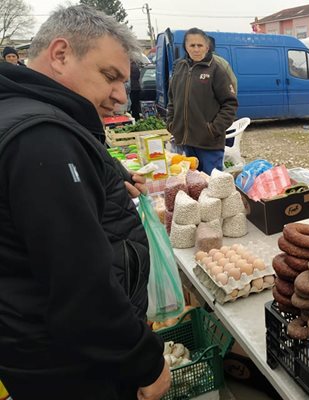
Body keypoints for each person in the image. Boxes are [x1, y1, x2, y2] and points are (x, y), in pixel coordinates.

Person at [0, 5, 170, 400]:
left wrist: (108, 177)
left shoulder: (28, 115)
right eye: (110, 77)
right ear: (60, 55)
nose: (120, 96)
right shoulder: (42, 138)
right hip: (72, 366)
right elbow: (82, 285)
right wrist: (145, 362)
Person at [167, 28, 238, 174]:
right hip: (185, 143)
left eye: (200, 45)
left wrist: (213, 129)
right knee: (193, 186)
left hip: (209, 144)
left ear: (207, 46)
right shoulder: (180, 68)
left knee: (212, 187)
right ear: (186, 47)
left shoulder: (216, 69)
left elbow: (230, 104)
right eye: (192, 45)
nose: (196, 49)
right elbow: (172, 100)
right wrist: (172, 124)